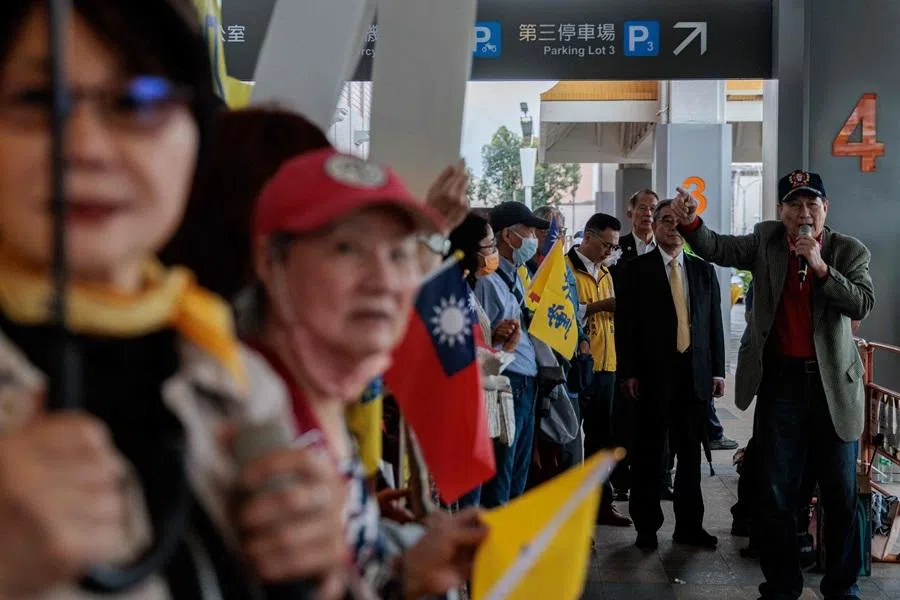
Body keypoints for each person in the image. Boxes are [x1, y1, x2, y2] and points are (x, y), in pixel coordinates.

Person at [0, 2, 348, 598]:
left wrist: (325, 578)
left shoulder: (237, 380)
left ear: (196, 137)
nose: (84, 145)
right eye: (37, 100)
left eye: (138, 102)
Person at [244, 148, 489, 596]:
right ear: (270, 262)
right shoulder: (242, 423)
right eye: (346, 248)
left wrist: (383, 557)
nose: (382, 280)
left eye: (398, 255)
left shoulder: (317, 396)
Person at [672, 170, 874, 600]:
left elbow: (861, 302)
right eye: (794, 205)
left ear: (825, 209)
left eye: (812, 205)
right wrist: (691, 223)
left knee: (839, 493)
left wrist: (820, 267)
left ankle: (843, 587)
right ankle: (781, 585)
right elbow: (718, 248)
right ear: (780, 211)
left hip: (832, 386)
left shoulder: (847, 250)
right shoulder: (765, 242)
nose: (804, 213)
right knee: (778, 492)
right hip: (781, 385)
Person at [616, 199, 725, 551]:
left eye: (679, 221)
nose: (673, 227)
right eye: (666, 220)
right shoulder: (636, 270)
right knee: (649, 456)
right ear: (655, 227)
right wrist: (628, 371)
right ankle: (646, 527)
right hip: (650, 376)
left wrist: (718, 371)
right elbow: (626, 326)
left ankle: (689, 526)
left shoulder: (703, 271)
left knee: (690, 455)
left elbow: (714, 326)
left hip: (693, 377)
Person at [475, 201, 549, 507]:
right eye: (529, 230)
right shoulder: (486, 281)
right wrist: (496, 334)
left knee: (520, 465)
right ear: (508, 236)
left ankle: (511, 530)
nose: (534, 237)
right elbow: (479, 337)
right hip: (506, 380)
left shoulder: (520, 274)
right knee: (503, 465)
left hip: (528, 380)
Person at [566, 213, 631, 527]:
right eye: (606, 244)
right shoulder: (565, 269)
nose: (609, 251)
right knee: (569, 441)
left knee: (602, 439)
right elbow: (561, 312)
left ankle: (601, 504)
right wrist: (599, 307)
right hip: (575, 366)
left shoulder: (607, 272)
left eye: (614, 246)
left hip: (607, 365)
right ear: (587, 237)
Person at [447, 212, 507, 507]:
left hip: (475, 404)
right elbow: (458, 354)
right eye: (489, 245)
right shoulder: (448, 293)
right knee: (465, 500)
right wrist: (496, 355)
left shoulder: (464, 286)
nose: (493, 252)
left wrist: (496, 340)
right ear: (469, 249)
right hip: (459, 409)